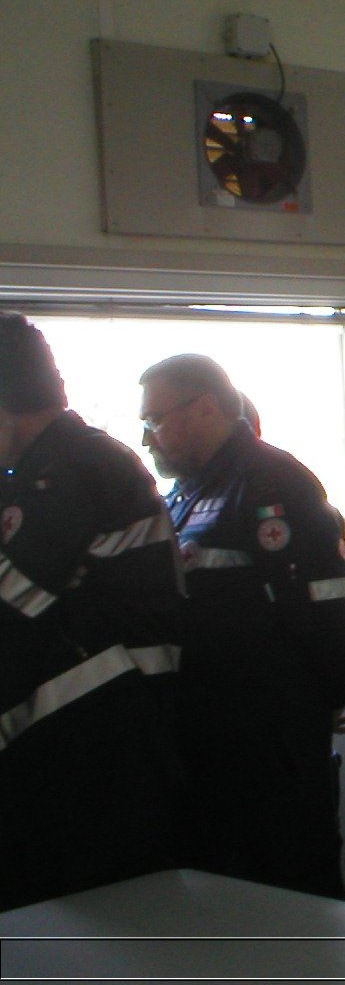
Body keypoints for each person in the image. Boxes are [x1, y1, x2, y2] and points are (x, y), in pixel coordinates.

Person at [140, 353, 345, 899]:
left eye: (154, 420)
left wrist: (322, 694)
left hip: (271, 752)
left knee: (294, 903)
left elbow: (325, 610)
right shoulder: (186, 497)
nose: (147, 439)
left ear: (203, 408)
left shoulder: (272, 484)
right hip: (209, 747)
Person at [0, 314, 185, 911]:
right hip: (70, 747)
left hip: (100, 749)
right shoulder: (36, 472)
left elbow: (10, 611)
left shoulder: (74, 468)